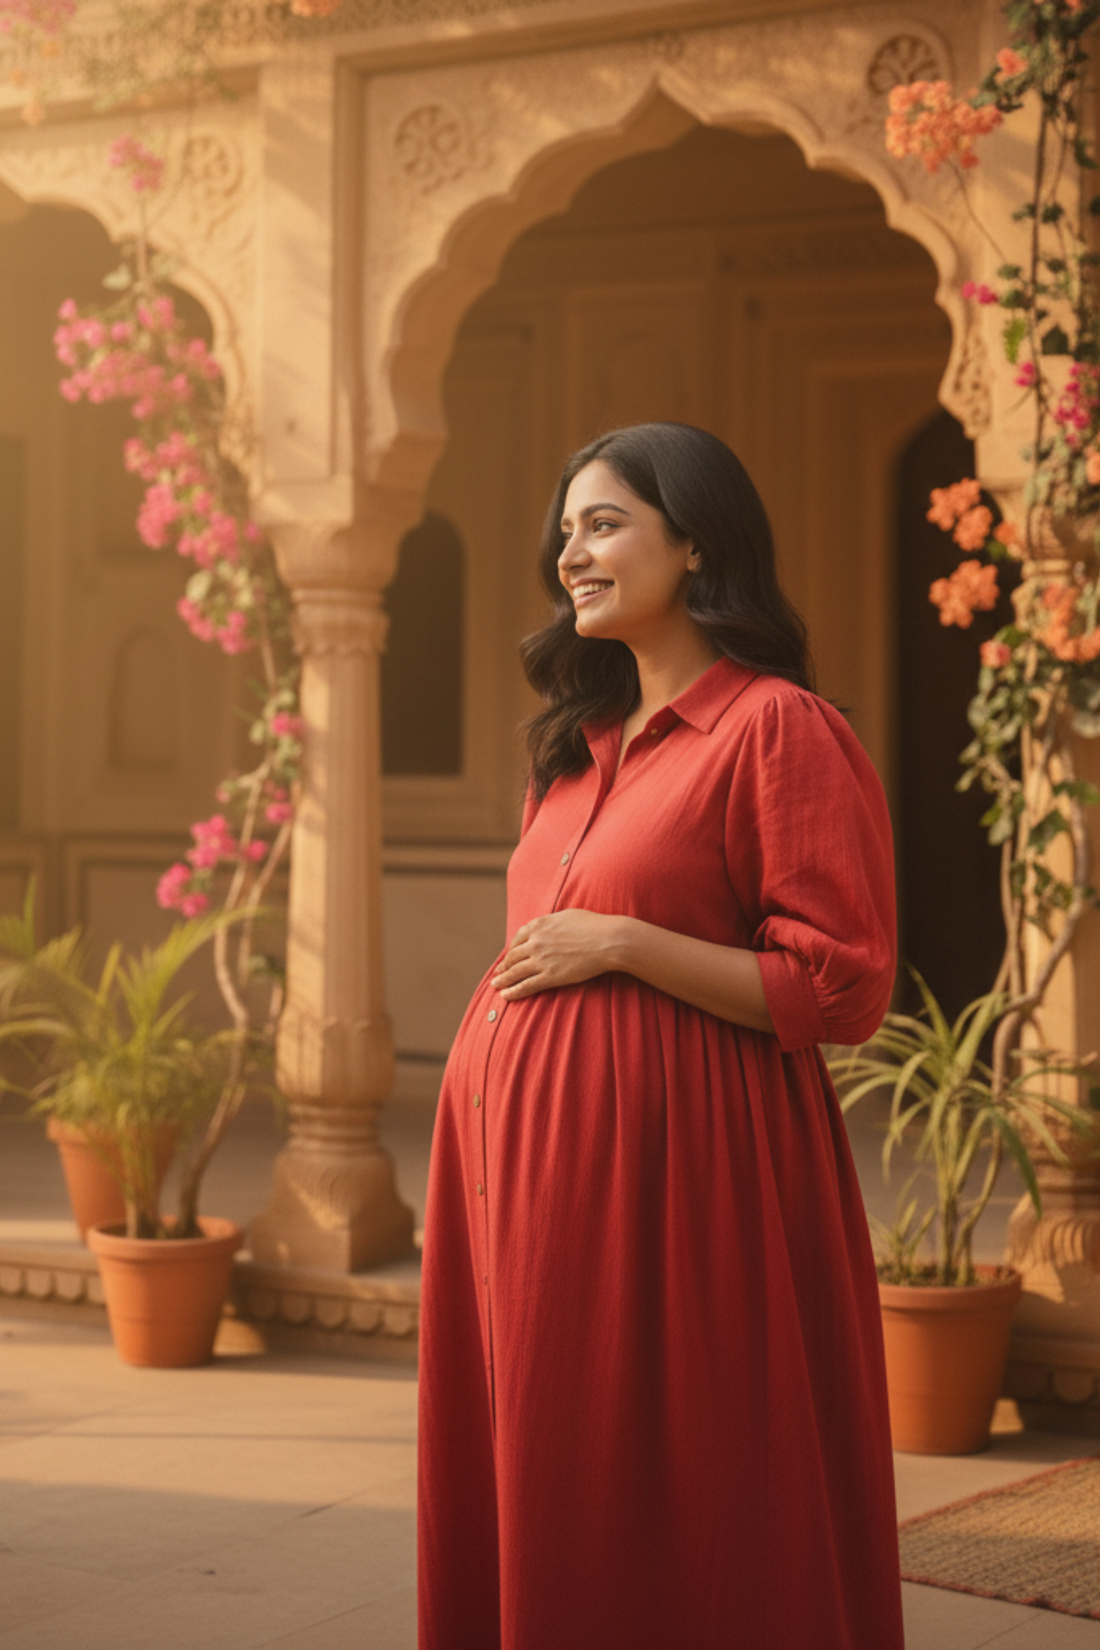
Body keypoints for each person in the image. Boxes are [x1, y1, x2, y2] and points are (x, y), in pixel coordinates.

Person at [417, 422, 905, 1650]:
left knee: (682, 1486)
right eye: (563, 533)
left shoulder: (772, 728)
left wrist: (624, 944)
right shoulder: (568, 753)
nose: (569, 555)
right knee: (550, 1468)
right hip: (525, 1190)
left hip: (686, 1185)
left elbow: (839, 986)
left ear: (693, 542)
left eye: (602, 524)